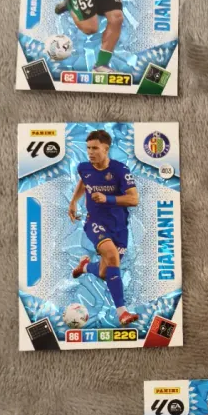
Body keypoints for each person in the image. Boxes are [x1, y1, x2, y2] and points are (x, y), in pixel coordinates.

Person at [69, 129, 139, 325]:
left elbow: (134, 199)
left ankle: (85, 267)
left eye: (95, 148)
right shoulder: (84, 167)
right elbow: (84, 181)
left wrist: (107, 198)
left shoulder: (120, 170)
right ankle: (122, 312)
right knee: (112, 255)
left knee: (104, 272)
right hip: (95, 223)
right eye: (88, 148)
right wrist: (73, 201)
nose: (90, 152)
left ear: (106, 149)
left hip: (119, 227)